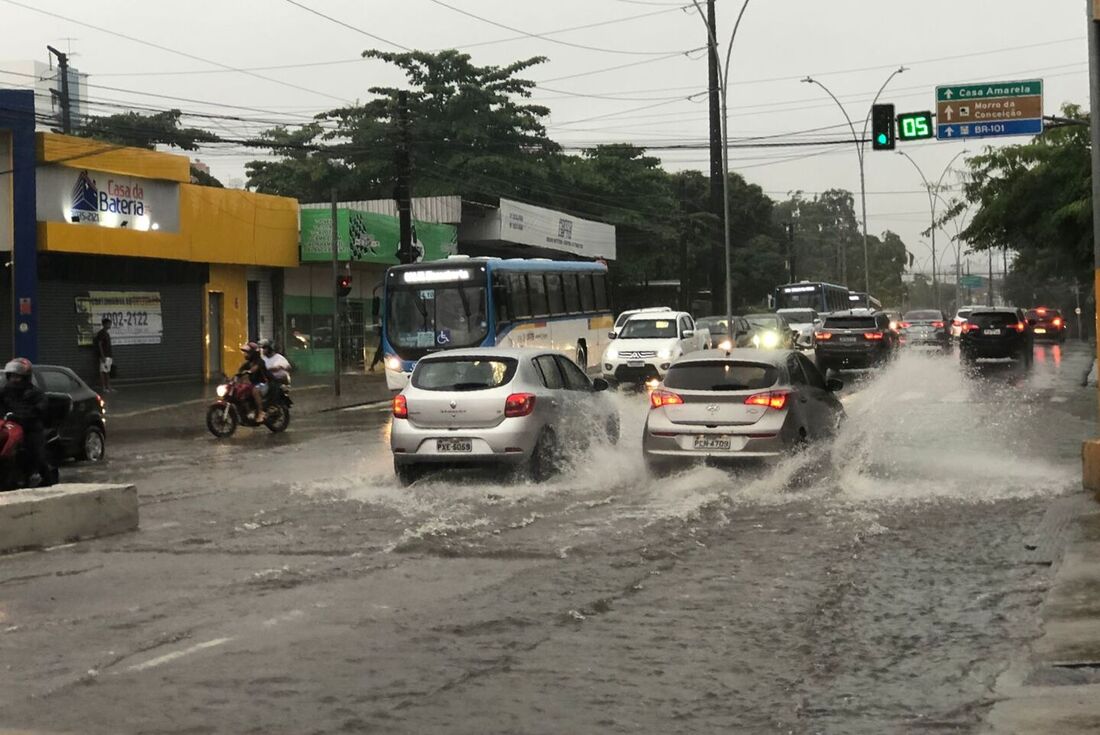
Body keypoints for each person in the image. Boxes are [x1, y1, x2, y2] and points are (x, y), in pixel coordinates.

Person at [0, 358, 54, 486]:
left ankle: (43, 478)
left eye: (17, 377)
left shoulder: (35, 394)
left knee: (37, 453)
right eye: (12, 376)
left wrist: (23, 416)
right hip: (7, 428)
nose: (14, 379)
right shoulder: (4, 392)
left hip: (30, 428)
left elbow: (40, 408)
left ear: (25, 377)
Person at [237, 342, 271, 423]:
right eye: (245, 352)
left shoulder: (260, 361)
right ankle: (248, 410)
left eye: (247, 352)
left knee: (255, 390)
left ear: (253, 353)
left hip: (264, 384)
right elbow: (239, 371)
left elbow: (255, 368)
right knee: (240, 391)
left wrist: (249, 371)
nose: (245, 354)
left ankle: (260, 412)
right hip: (254, 385)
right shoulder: (247, 363)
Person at [93, 317, 113, 393]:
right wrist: (102, 356)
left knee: (107, 371)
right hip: (104, 356)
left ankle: (108, 386)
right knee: (103, 371)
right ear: (104, 324)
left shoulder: (106, 333)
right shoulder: (101, 333)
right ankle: (104, 387)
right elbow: (99, 344)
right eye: (109, 323)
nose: (110, 325)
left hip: (108, 355)